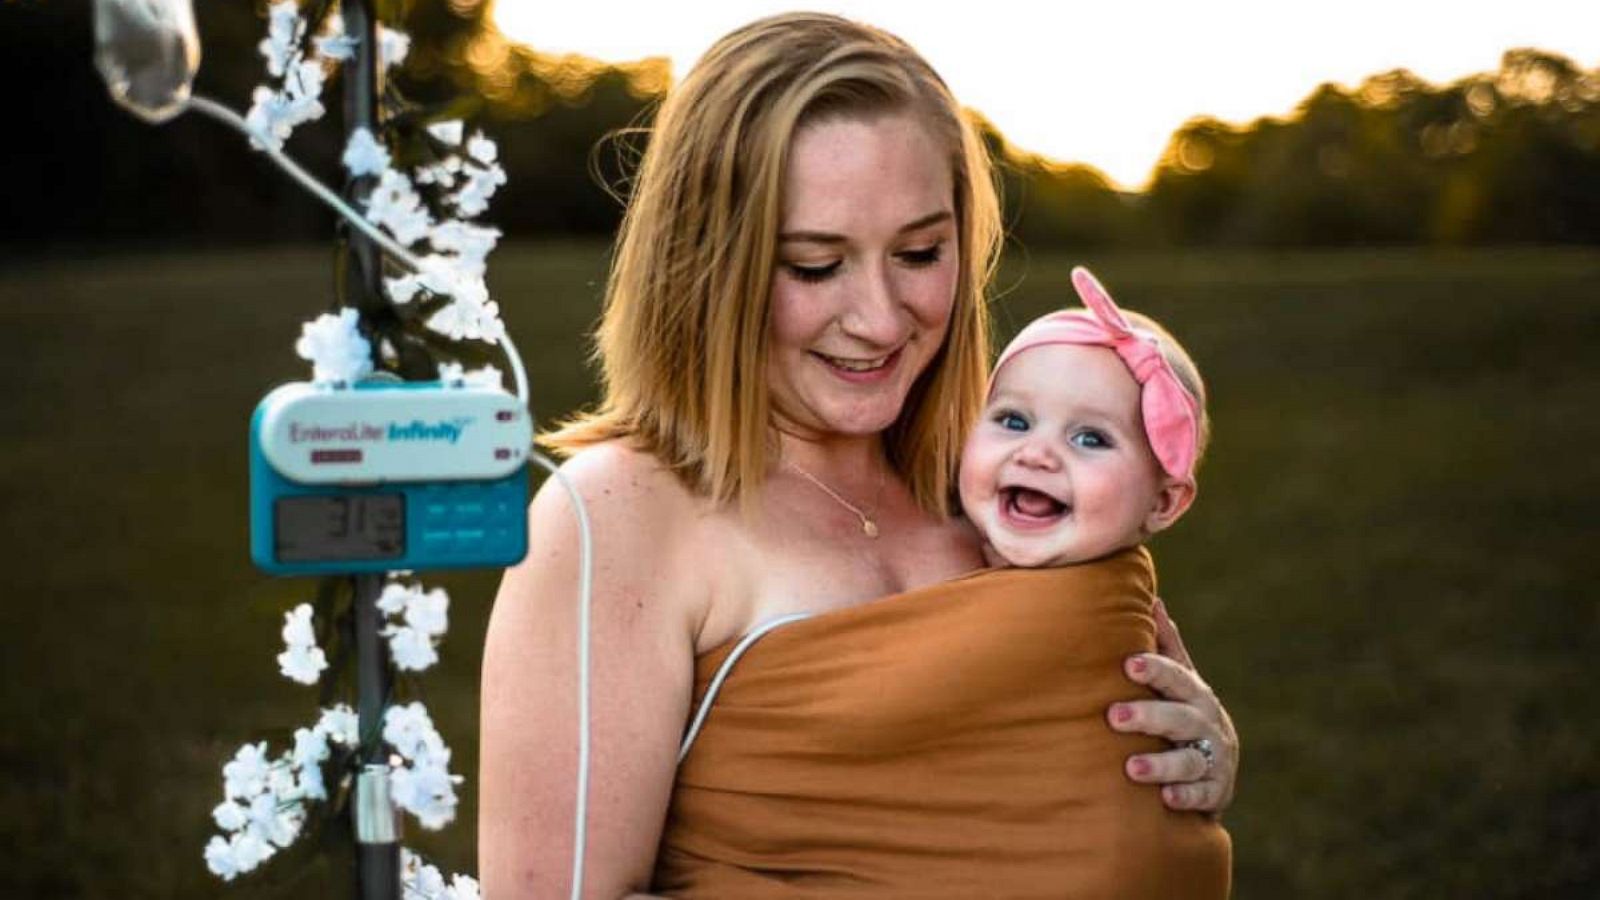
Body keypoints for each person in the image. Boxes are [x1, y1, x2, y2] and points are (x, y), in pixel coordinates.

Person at [480, 12, 1239, 898]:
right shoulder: (619, 518)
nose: (880, 319)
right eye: (813, 266)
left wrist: (1202, 749)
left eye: (920, 253)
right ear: (705, 267)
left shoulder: (1001, 486)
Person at [959, 265, 1208, 569]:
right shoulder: (934, 557)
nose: (1036, 454)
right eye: (1014, 421)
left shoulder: (1110, 609)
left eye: (1090, 439)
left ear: (1163, 502)